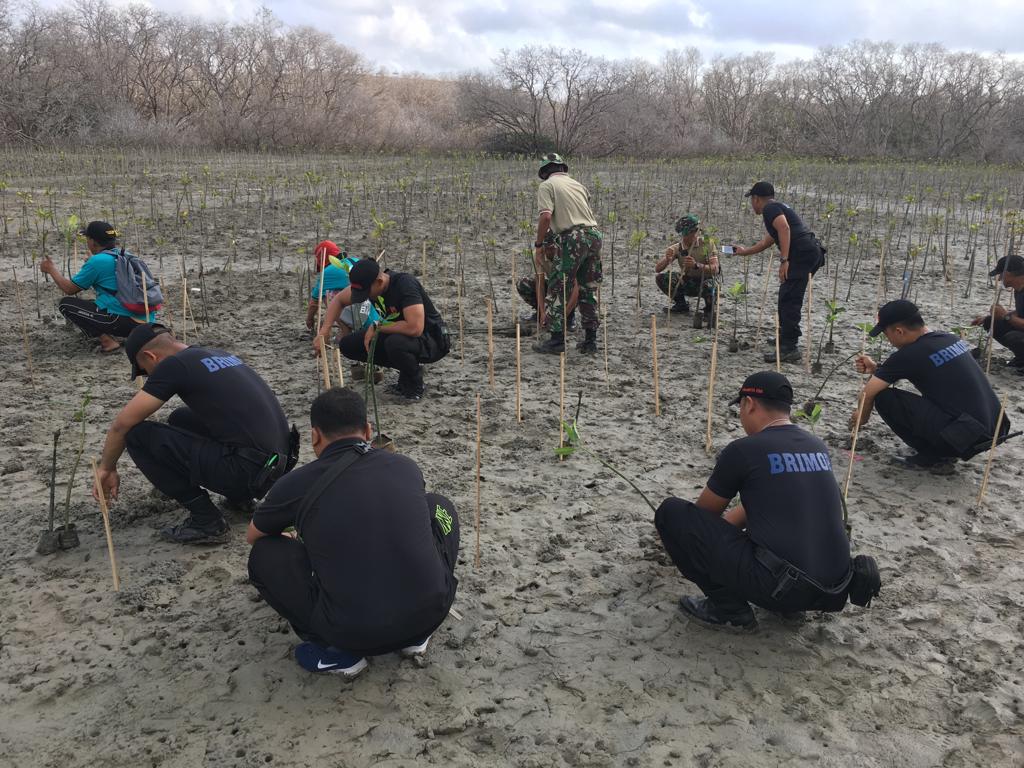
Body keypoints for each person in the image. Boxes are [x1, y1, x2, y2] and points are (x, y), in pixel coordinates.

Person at [247, 387, 459, 678]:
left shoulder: (295, 484)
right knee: (439, 506)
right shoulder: (404, 466)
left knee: (265, 554)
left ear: (314, 436)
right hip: (432, 613)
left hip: (353, 633)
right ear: (368, 431)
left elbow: (254, 536)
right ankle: (414, 639)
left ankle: (337, 654)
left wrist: (295, 536)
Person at [655, 371, 880, 629]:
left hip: (781, 586)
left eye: (740, 407)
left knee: (672, 513)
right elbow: (770, 505)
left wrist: (684, 544)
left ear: (749, 404)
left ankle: (727, 608)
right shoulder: (816, 445)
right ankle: (791, 609)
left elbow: (702, 515)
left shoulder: (744, 449)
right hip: (833, 589)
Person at [93, 323, 295, 545]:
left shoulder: (174, 365)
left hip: (247, 471)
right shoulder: (215, 354)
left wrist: (107, 468)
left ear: (151, 356)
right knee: (180, 418)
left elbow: (122, 425)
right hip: (275, 467)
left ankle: (207, 521)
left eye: (145, 371)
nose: (149, 378)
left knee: (137, 436)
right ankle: (241, 498)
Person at [850, 299, 1010, 471]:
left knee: (884, 397)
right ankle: (942, 448)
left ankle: (934, 455)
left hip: (966, 437)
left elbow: (867, 394)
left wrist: (861, 419)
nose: (888, 340)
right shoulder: (948, 338)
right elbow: (927, 366)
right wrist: (877, 369)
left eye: (886, 334)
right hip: (997, 428)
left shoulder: (908, 354)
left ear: (899, 331)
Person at [313, 259, 450, 401]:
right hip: (401, 335)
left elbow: (415, 327)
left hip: (432, 339)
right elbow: (338, 301)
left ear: (379, 281)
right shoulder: (368, 284)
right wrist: (324, 331)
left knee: (395, 343)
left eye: (366, 292)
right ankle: (406, 370)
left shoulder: (404, 285)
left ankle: (415, 384)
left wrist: (377, 327)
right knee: (348, 345)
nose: (365, 296)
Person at [733, 182, 825, 364]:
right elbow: (769, 240)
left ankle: (789, 347)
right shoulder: (778, 207)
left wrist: (784, 260)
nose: (752, 204)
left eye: (752, 200)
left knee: (789, 298)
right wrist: (744, 251)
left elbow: (784, 228)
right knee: (787, 295)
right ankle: (785, 337)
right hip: (811, 252)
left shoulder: (770, 209)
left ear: (756, 199)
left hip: (803, 254)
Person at [39, 221, 157, 352]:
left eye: (87, 239)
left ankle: (107, 341)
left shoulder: (97, 261)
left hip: (123, 321)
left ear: (93, 242)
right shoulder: (126, 254)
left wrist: (51, 270)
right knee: (91, 304)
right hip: (147, 321)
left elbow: (69, 289)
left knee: (66, 305)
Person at [532, 152, 603, 355]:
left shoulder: (546, 186)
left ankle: (556, 340)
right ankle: (590, 340)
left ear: (545, 172)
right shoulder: (578, 185)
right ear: (563, 168)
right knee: (588, 288)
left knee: (558, 286)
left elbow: (546, 217)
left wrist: (539, 244)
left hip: (573, 237)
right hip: (594, 235)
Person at [304, 240, 381, 335]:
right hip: (375, 316)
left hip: (360, 316)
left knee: (328, 295)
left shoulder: (327, 273)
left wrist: (309, 320)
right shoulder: (355, 261)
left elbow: (314, 302)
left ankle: (346, 332)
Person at [654, 213, 720, 322]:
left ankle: (709, 310)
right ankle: (681, 304)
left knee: (712, 285)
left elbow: (715, 269)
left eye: (688, 233)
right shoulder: (678, 247)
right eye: (683, 234)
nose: (685, 238)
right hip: (688, 281)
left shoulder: (707, 244)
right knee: (662, 278)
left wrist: (696, 265)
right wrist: (667, 259)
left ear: (695, 232)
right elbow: (657, 269)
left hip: (705, 280)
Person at [516, 231, 578, 332]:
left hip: (568, 286)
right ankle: (542, 314)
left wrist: (565, 314)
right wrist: (542, 311)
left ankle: (570, 316)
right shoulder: (538, 254)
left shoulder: (567, 254)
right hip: (553, 285)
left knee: (567, 286)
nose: (549, 251)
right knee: (523, 284)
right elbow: (539, 285)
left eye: (552, 248)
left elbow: (576, 287)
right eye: (547, 248)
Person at [971, 254, 1024, 372]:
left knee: (1013, 337)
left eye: (1001, 275)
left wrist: (1005, 316)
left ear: (1008, 274)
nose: (999, 279)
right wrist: (993, 317)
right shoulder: (1019, 289)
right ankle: (1022, 358)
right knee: (991, 321)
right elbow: (1021, 312)